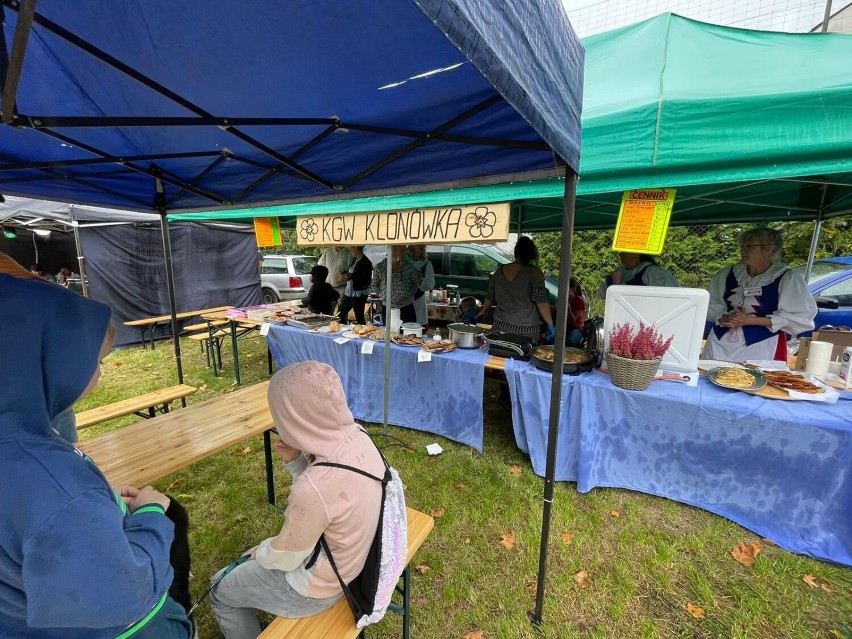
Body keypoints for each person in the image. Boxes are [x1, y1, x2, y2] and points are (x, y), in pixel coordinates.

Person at [0, 274, 192, 638]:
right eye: (98, 361)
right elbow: (122, 593)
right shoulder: (54, 483)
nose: (99, 372)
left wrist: (94, 511)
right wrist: (150, 515)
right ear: (54, 361)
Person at [210, 361, 386, 639]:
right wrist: (296, 463)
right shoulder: (359, 436)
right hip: (352, 562)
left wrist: (259, 551)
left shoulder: (314, 487)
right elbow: (330, 499)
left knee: (220, 589)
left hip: (317, 589)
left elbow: (285, 557)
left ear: (293, 419)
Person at [702, 227, 816, 362]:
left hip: (762, 345)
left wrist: (751, 320)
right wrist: (725, 317)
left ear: (768, 249)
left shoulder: (786, 278)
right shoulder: (727, 274)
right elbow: (711, 306)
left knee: (752, 379)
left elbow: (800, 317)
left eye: (749, 246)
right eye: (742, 246)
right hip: (720, 343)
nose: (742, 250)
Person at [476, 236, 555, 343]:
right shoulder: (535, 272)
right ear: (532, 254)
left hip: (500, 329)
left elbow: (490, 296)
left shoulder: (499, 271)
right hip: (525, 332)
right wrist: (550, 324)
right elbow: (541, 301)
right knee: (522, 358)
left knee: (499, 357)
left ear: (516, 252)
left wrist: (483, 311)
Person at [370, 245, 423, 325]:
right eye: (401, 251)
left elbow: (416, 283)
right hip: (388, 307)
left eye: (405, 250)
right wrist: (383, 295)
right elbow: (374, 285)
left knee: (408, 333)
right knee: (390, 333)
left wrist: (409, 293)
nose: (404, 253)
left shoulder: (408, 267)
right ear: (392, 252)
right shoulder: (380, 267)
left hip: (406, 307)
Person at [598, 252, 679, 297]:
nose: (620, 255)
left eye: (624, 251)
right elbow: (602, 293)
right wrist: (614, 285)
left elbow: (668, 295)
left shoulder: (652, 272)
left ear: (635, 255)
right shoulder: (620, 271)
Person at [337, 245, 373, 325]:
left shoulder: (366, 262)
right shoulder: (355, 260)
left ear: (355, 248)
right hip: (349, 291)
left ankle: (362, 332)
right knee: (340, 314)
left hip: (359, 292)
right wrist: (346, 274)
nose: (350, 252)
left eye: (351, 250)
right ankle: (343, 329)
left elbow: (366, 279)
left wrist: (351, 276)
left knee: (359, 316)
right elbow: (353, 273)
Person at [406, 244, 435, 325]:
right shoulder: (405, 260)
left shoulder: (426, 264)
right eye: (419, 245)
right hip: (403, 299)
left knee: (417, 324)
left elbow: (430, 284)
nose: (421, 246)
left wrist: (420, 280)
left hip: (418, 298)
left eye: (423, 245)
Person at [565, 277, 586, 347]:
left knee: (570, 342)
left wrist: (568, 308)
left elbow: (574, 320)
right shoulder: (563, 298)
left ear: (573, 289)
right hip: (565, 325)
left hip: (576, 327)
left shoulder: (579, 300)